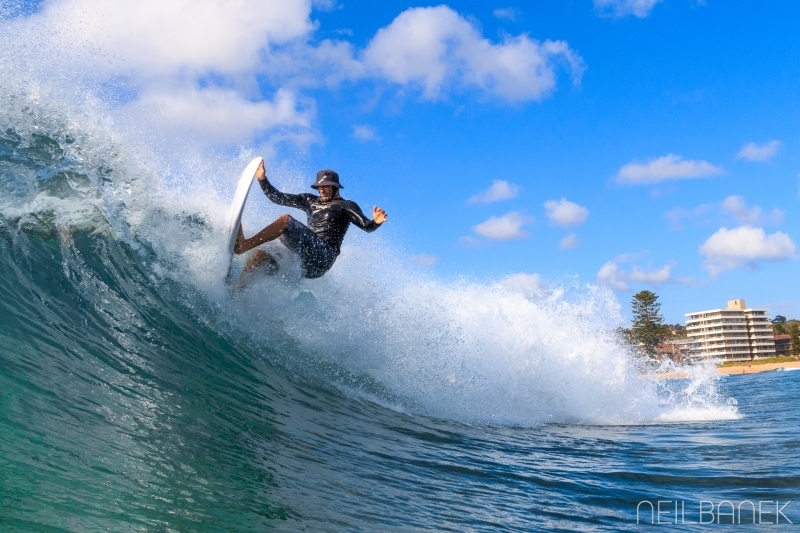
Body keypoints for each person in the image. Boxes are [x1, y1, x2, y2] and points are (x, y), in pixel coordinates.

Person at [234, 160, 387, 279]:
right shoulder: (309, 200)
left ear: (336, 187)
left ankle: (243, 246)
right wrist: (262, 179)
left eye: (326, 186)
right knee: (260, 255)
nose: (322, 190)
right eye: (320, 187)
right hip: (303, 258)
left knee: (285, 221)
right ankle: (238, 292)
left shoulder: (346, 205)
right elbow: (277, 197)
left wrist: (376, 222)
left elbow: (366, 226)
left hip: (323, 257)